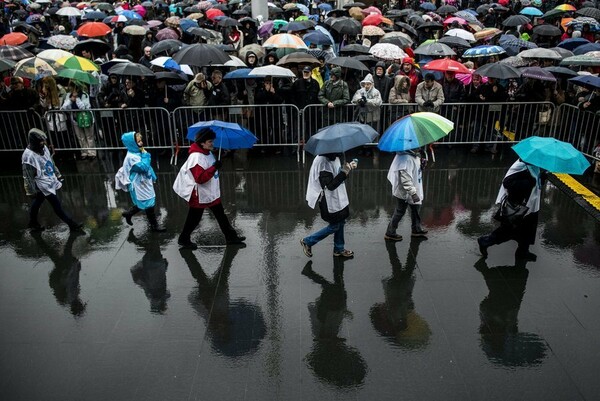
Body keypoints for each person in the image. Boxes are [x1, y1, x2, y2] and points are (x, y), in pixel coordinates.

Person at [173, 128, 246, 249]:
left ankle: (231, 237)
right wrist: (214, 168)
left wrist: (217, 163)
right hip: (199, 194)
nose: (212, 144)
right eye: (210, 142)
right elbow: (200, 179)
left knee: (221, 215)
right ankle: (184, 238)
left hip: (210, 192)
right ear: (202, 143)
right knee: (194, 219)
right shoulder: (196, 157)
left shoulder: (207, 152)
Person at [478, 159, 544, 261]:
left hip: (531, 205)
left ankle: (523, 252)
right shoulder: (521, 166)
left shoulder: (533, 164)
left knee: (527, 230)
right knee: (509, 230)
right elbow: (508, 182)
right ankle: (485, 241)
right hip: (519, 206)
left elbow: (536, 183)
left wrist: (541, 179)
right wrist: (529, 182)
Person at [22, 128, 83, 232]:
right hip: (41, 183)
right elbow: (27, 176)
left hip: (49, 179)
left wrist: (57, 174)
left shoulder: (44, 148)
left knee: (38, 202)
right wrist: (30, 190)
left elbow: (50, 161)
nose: (43, 143)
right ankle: (72, 224)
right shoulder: (28, 156)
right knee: (56, 204)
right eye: (40, 141)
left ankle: (33, 222)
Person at [300, 153, 357, 258]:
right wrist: (345, 171)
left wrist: (346, 168)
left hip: (337, 195)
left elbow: (336, 172)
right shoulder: (323, 162)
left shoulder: (333, 156)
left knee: (341, 221)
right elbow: (330, 185)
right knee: (335, 225)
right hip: (328, 199)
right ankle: (308, 241)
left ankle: (339, 249)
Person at [115, 131, 165, 232]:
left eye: (141, 140)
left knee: (145, 202)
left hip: (144, 182)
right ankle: (154, 226)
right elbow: (144, 167)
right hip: (139, 184)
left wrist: (153, 177)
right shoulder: (131, 157)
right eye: (138, 141)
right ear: (132, 143)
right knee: (148, 204)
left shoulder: (137, 151)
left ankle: (129, 214)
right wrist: (146, 156)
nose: (141, 143)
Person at [384, 149, 428, 241]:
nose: (419, 146)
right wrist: (413, 193)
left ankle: (416, 229)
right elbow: (406, 180)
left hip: (413, 188)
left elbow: (414, 170)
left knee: (415, 209)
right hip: (405, 192)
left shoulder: (413, 155)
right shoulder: (405, 158)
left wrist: (421, 165)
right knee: (400, 211)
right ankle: (390, 232)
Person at [61, 83, 97, 159]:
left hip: (86, 118)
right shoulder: (68, 95)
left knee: (89, 136)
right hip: (75, 119)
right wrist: (71, 100)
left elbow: (83, 107)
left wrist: (77, 98)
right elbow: (64, 107)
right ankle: (84, 152)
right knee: (80, 137)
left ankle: (92, 152)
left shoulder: (84, 95)